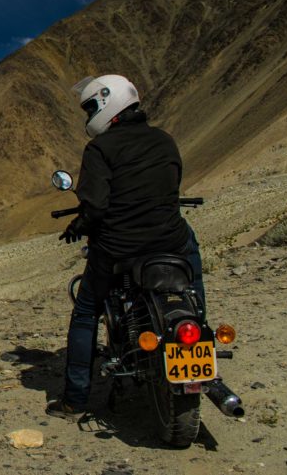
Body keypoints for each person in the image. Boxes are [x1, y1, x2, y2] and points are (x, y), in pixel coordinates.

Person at [46, 74, 206, 419]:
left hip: (119, 246)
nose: (88, 114)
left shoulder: (100, 149)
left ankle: (74, 399)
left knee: (86, 310)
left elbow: (97, 206)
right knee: (190, 262)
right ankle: (197, 321)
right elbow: (171, 185)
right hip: (169, 239)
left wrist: (79, 225)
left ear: (106, 102)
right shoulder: (164, 140)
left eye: (90, 107)